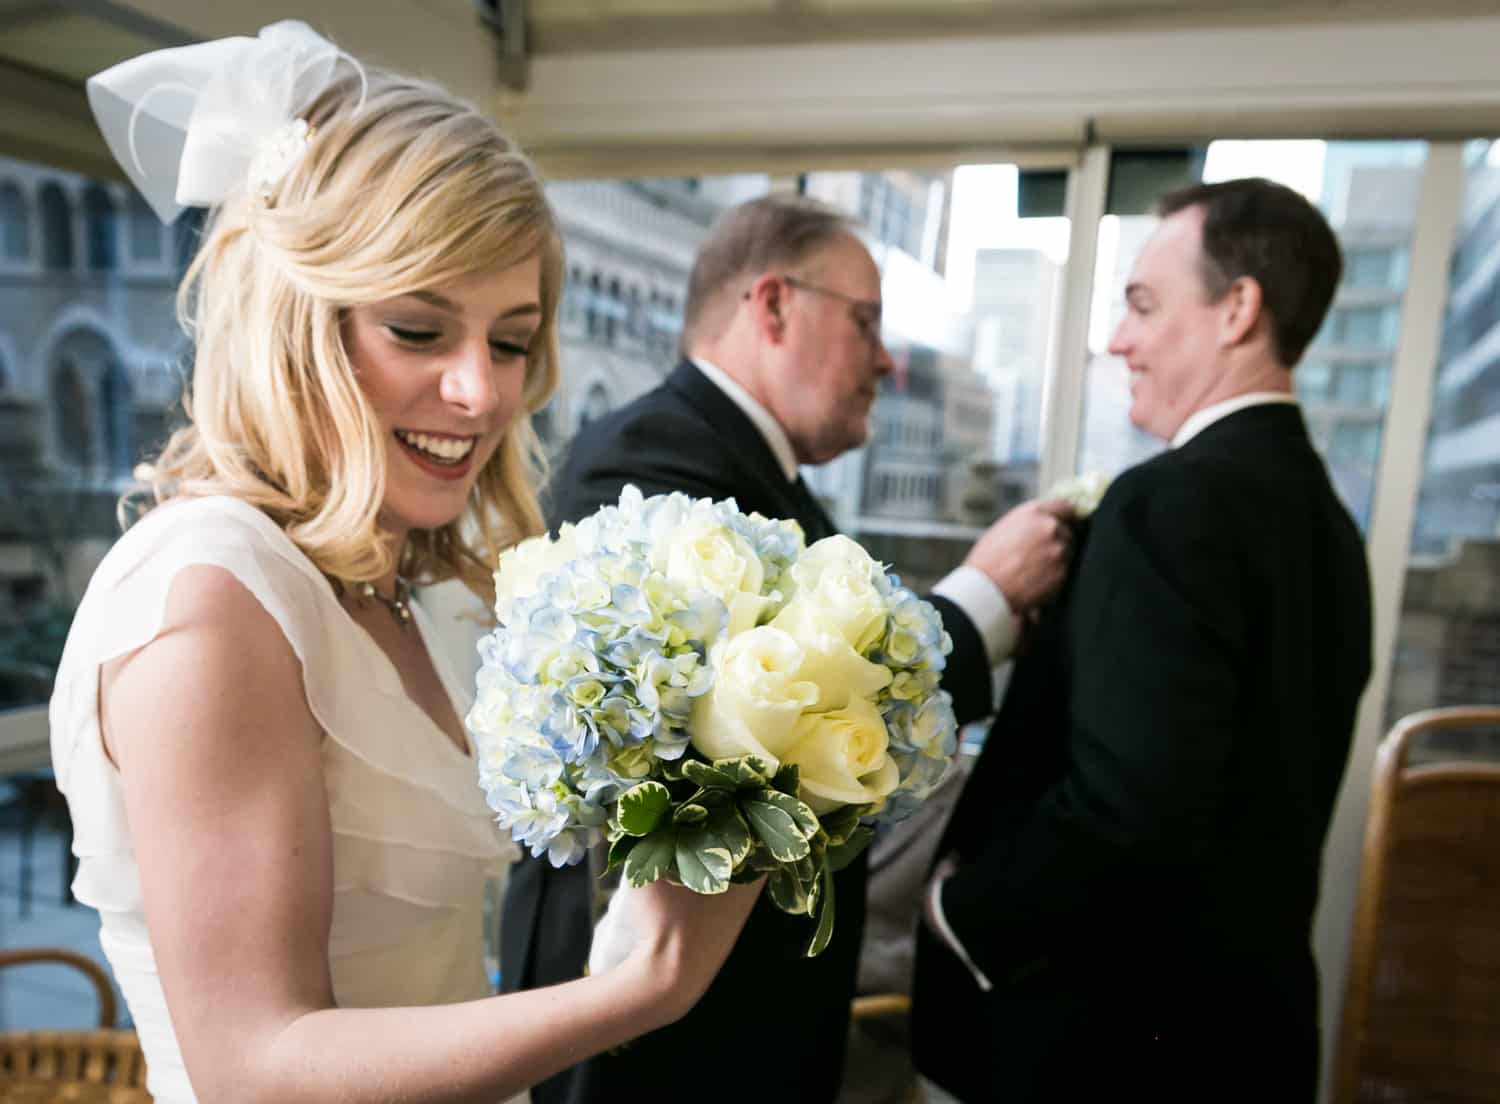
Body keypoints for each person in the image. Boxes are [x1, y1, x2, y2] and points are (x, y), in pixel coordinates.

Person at [49, 23, 760, 1104]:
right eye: (421, 331)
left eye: (511, 340)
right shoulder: (211, 602)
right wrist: (643, 984)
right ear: (296, 328)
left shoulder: (403, 587)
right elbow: (256, 1067)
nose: (482, 393)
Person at [503, 194, 1074, 1104]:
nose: (885, 360)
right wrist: (986, 597)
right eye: (866, 322)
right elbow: (776, 714)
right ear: (772, 306)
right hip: (649, 1028)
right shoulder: (651, 459)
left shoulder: (759, 474)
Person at [911, 178, 1374, 1103]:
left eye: (1142, 305)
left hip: (1118, 1049)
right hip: (1256, 1039)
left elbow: (1129, 811)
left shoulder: (1168, 504)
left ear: (1238, 309)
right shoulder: (1331, 528)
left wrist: (958, 909)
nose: (1118, 339)